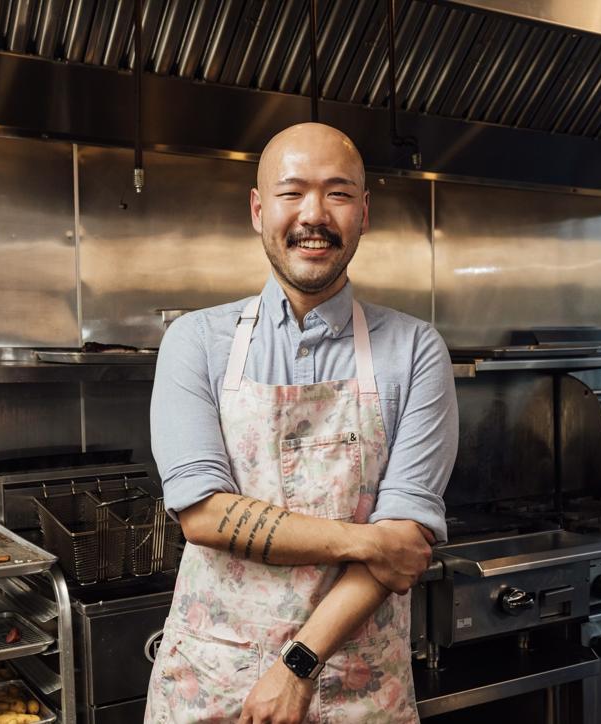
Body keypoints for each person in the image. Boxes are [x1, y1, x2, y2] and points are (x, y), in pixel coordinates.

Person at [145, 122, 458, 723]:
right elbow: (203, 513)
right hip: (215, 683)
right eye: (292, 193)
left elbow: (409, 535)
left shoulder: (416, 349)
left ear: (364, 213)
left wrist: (297, 666)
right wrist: (367, 541)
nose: (313, 214)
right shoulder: (195, 341)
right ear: (259, 211)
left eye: (337, 193)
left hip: (358, 688)